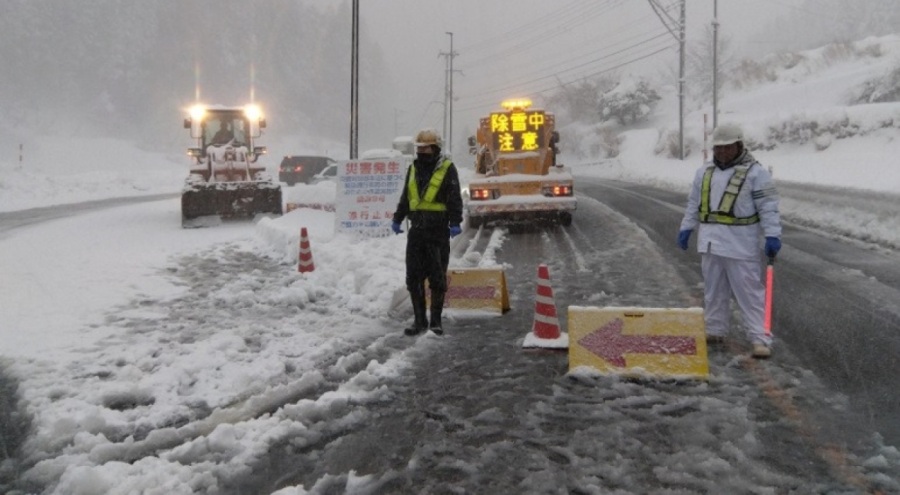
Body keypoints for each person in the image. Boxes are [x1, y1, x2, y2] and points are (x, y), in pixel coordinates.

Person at [677, 123, 782, 359]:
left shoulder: (756, 173)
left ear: (739, 145)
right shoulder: (704, 172)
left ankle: (760, 338)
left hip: (740, 245)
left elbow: (768, 207)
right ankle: (715, 329)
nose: (722, 151)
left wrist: (772, 234)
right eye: (718, 147)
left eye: (727, 147)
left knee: (749, 293)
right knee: (713, 290)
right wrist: (686, 227)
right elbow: (693, 204)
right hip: (710, 243)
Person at [391, 128, 464, 336]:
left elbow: (454, 197)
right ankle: (419, 321)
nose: (422, 151)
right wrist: (398, 218)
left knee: (437, 278)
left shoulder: (447, 168)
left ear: (436, 148)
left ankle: (435, 322)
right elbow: (406, 197)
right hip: (417, 232)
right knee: (413, 278)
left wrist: (455, 221)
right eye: (419, 148)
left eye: (426, 148)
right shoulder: (413, 169)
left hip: (437, 232)